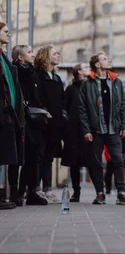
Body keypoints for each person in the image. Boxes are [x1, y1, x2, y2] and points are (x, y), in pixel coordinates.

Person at [79, 52, 125, 205]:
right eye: (104, 59)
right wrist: (86, 130)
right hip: (95, 130)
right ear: (96, 64)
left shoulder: (116, 82)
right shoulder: (87, 84)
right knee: (95, 162)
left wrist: (124, 125)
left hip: (113, 129)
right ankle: (100, 193)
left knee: (118, 160)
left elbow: (123, 105)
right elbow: (82, 109)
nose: (109, 60)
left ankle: (121, 192)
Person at [12, 44, 51, 206]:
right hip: (21, 120)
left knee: (33, 157)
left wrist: (42, 111)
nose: (33, 55)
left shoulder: (32, 73)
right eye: (29, 52)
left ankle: (31, 192)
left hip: (35, 120)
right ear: (20, 57)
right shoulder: (16, 72)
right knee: (17, 157)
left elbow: (38, 96)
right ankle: (15, 193)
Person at [34, 45, 66, 203]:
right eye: (54, 53)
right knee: (39, 157)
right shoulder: (38, 76)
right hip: (43, 123)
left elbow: (61, 102)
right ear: (46, 57)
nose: (58, 55)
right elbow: (38, 99)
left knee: (49, 158)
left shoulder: (57, 78)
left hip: (56, 125)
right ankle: (36, 189)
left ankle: (48, 190)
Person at [0, 23, 25, 209]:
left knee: (5, 155)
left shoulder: (4, 58)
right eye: (4, 31)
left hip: (9, 115)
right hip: (3, 113)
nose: (9, 33)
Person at [62, 63, 94, 202]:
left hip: (90, 128)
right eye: (86, 67)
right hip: (73, 130)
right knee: (74, 162)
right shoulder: (71, 88)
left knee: (93, 160)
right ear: (79, 72)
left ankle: (99, 190)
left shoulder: (92, 86)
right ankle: (76, 191)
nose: (89, 69)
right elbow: (65, 108)